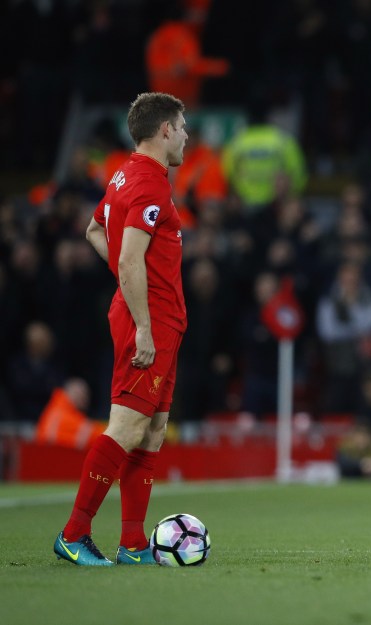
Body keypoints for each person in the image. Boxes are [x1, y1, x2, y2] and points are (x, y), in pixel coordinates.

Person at [54, 92, 189, 566]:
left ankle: (132, 545)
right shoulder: (150, 183)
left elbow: (95, 231)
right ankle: (74, 534)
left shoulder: (123, 175)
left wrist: (135, 285)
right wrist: (144, 319)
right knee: (127, 426)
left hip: (156, 316)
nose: (187, 136)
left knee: (152, 431)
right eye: (183, 126)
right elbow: (130, 258)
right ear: (165, 130)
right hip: (148, 322)